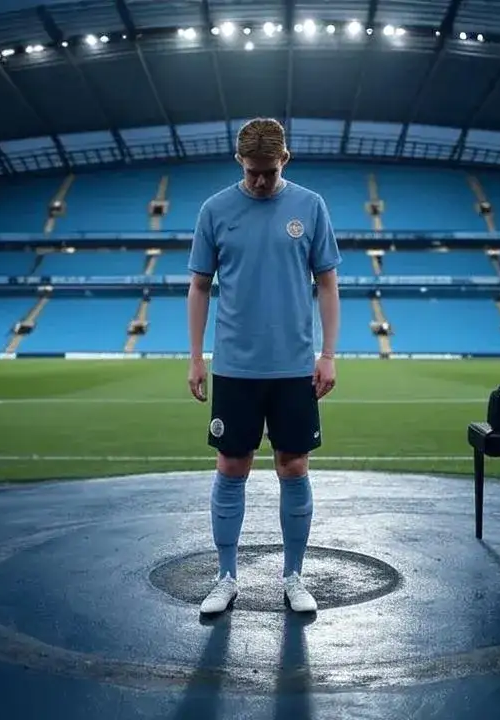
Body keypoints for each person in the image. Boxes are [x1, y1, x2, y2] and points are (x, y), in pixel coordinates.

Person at [185, 117, 342, 615]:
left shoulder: (310, 206)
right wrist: (196, 357)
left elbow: (327, 284)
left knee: (293, 466)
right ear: (239, 162)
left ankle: (293, 576)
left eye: (268, 172)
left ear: (284, 161)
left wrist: (328, 355)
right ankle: (226, 577)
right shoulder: (215, 210)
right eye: (251, 171)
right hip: (235, 367)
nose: (258, 181)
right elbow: (199, 286)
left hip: (294, 366)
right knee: (232, 466)